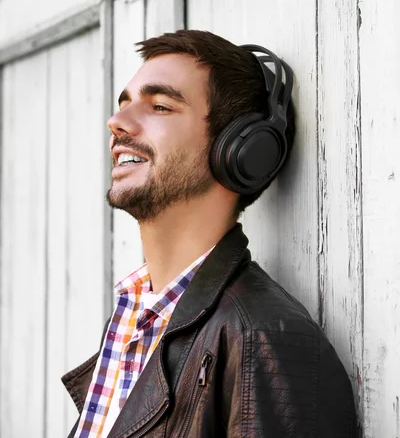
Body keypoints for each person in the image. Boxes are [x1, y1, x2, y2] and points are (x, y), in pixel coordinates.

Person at [62, 30, 357, 437]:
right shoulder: (135, 315)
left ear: (240, 150)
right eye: (125, 105)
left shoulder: (260, 340)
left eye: (160, 106)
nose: (117, 122)